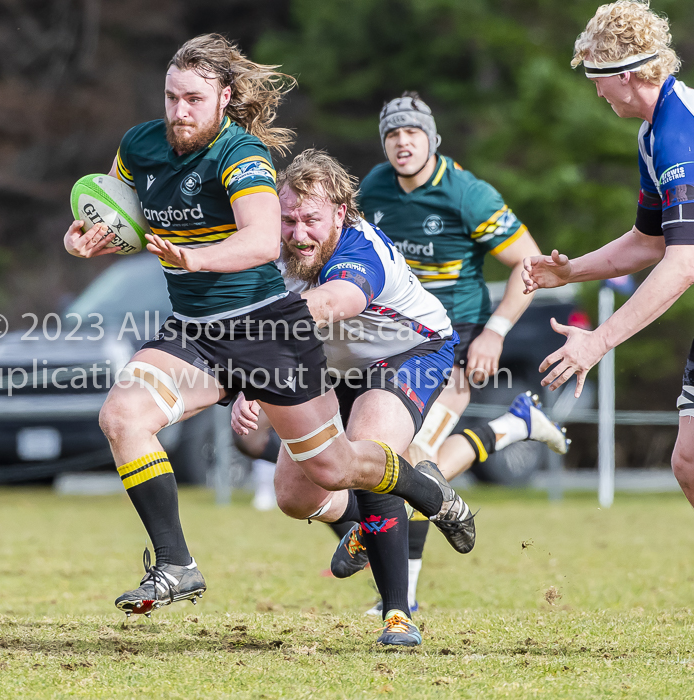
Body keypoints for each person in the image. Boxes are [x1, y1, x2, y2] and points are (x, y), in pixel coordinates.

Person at [62, 34, 476, 619]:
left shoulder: (243, 156)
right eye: (172, 97)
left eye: (194, 99)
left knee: (336, 469)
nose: (180, 111)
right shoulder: (140, 146)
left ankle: (421, 502)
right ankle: (176, 562)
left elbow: (263, 242)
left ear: (225, 98)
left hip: (292, 336)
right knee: (122, 416)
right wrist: (83, 238)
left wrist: (199, 264)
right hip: (196, 329)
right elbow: (113, 208)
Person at [337, 92, 569, 614]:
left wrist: (497, 331)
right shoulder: (372, 189)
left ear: (433, 139)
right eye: (393, 133)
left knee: (409, 458)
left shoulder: (468, 194)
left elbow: (528, 264)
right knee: (420, 462)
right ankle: (511, 428)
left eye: (413, 132)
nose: (403, 142)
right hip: (394, 338)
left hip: (457, 337)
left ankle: (402, 597)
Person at [232, 148, 461, 646]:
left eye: (311, 219)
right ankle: (414, 499)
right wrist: (248, 385)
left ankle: (397, 615)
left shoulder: (361, 250)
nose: (298, 233)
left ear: (340, 213)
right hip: (335, 366)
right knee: (296, 497)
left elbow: (335, 302)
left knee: (368, 455)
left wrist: (261, 331)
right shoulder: (274, 252)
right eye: (288, 218)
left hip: (411, 350)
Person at [523, 1, 694, 508]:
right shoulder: (653, 134)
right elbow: (650, 241)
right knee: (688, 461)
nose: (595, 90)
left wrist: (598, 342)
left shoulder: (679, 134)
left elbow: (683, 264)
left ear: (624, 74)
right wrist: (572, 271)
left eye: (597, 77)